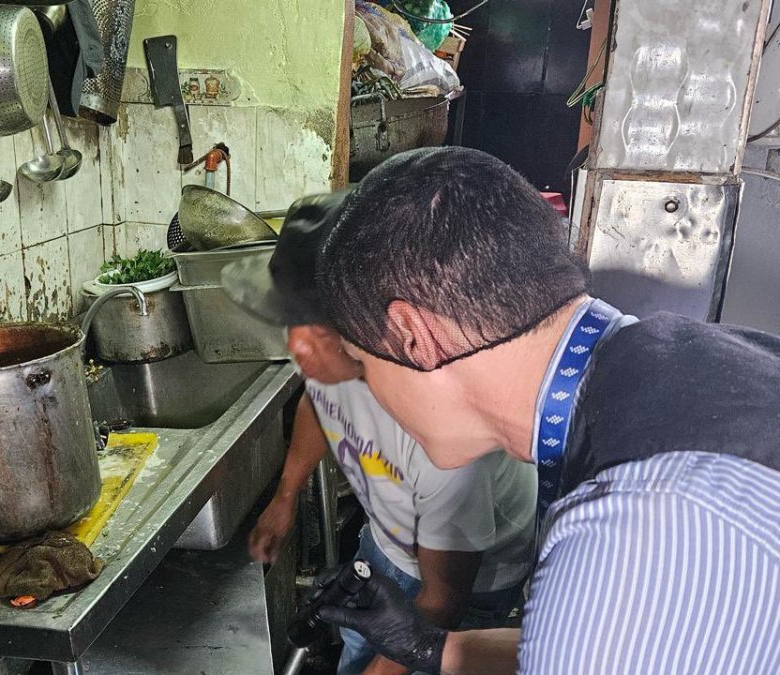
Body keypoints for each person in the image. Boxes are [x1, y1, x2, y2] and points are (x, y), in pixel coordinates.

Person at [311, 147, 780, 674]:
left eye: (361, 362)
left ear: (414, 337)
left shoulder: (630, 529)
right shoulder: (681, 362)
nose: (368, 390)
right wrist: (427, 645)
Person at [221, 195, 538, 675]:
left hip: (470, 583)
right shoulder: (332, 358)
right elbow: (318, 404)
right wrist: (286, 494)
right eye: (292, 320)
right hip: (387, 543)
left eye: (317, 329)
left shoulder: (442, 436)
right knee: (358, 645)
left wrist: (386, 668)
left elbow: (443, 601)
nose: (296, 345)